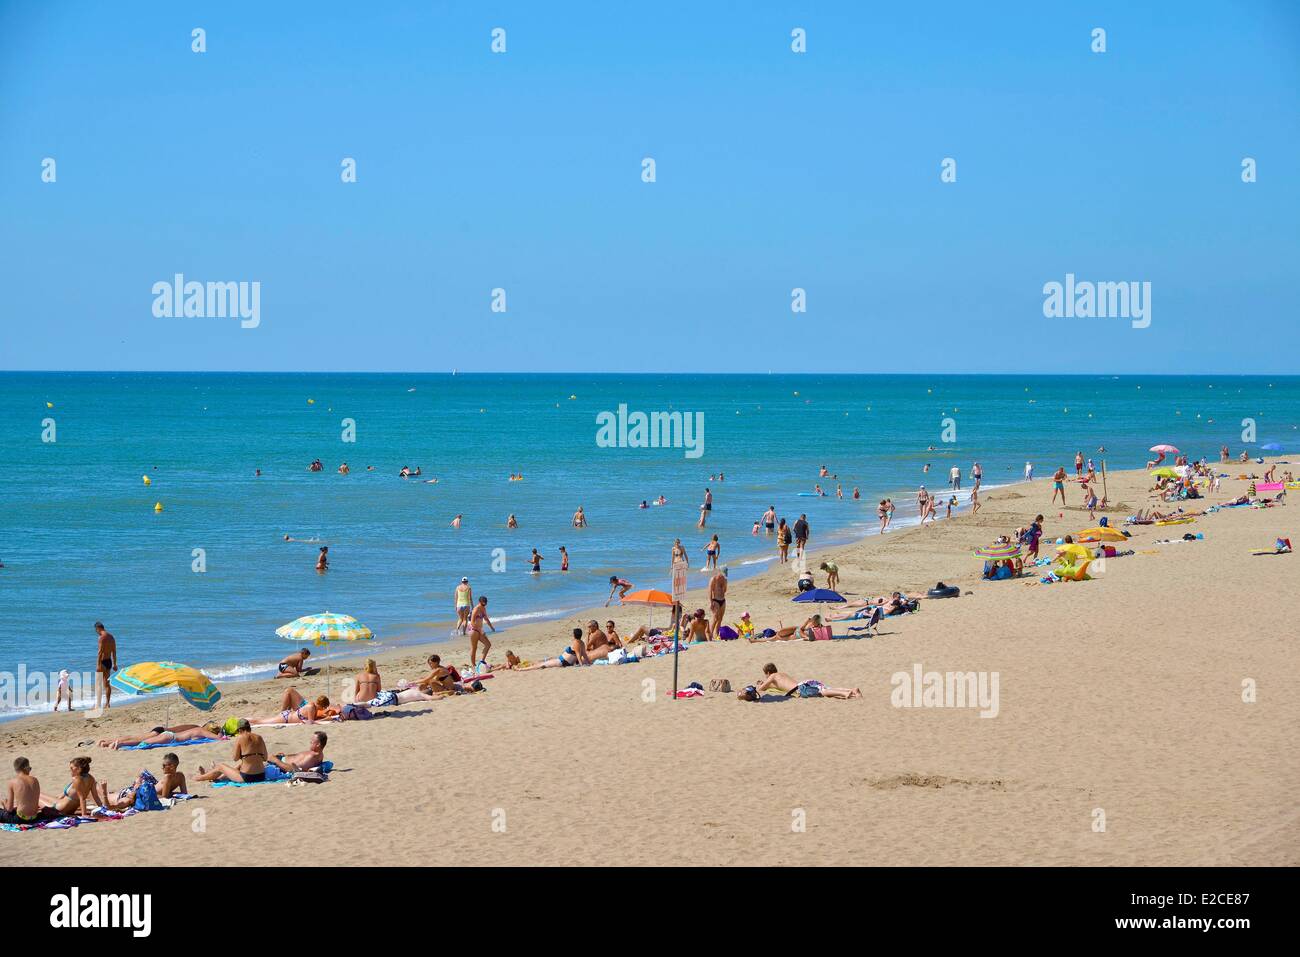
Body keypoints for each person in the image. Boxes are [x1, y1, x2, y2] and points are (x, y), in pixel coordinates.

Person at [195, 720, 269, 784]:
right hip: (261, 776)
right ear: (249, 728)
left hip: (247, 777)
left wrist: (243, 755)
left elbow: (235, 758)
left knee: (221, 767)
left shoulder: (240, 737)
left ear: (239, 730)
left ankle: (199, 777)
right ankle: (210, 775)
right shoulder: (259, 737)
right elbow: (265, 758)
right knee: (239, 766)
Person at [740, 663, 860, 700]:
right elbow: (775, 686)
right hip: (805, 682)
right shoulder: (782, 674)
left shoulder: (772, 676)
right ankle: (851, 690)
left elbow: (761, 689)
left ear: (768, 673)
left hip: (801, 688)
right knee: (826, 689)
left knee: (822, 693)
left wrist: (760, 685)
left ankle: (845, 694)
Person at [3, 757, 55, 825]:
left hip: (21, 819)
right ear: (26, 768)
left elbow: (9, 809)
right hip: (34, 817)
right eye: (29, 768)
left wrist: (4, 803)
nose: (30, 771)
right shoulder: (35, 780)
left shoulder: (12, 782)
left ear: (16, 769)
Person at [98, 723, 223, 749]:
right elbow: (219, 738)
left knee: (136, 738)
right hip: (166, 735)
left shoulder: (194, 726)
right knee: (138, 741)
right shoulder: (199, 730)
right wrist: (219, 733)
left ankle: (108, 742)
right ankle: (115, 743)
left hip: (164, 731)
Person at [518, 628, 591, 670]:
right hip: (562, 660)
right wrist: (588, 662)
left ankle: (521, 669)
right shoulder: (581, 642)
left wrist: (581, 665)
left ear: (574, 635)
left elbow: (578, 655)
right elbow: (584, 654)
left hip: (562, 662)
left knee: (542, 665)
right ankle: (529, 664)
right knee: (546, 660)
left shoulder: (576, 643)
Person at [251, 688, 332, 725]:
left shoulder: (313, 706)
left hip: (288, 716)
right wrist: (326, 719)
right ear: (323, 706)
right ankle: (243, 720)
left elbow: (312, 719)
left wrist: (323, 718)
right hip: (285, 718)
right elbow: (310, 722)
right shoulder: (311, 707)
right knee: (260, 721)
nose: (324, 709)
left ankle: (245, 721)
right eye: (325, 707)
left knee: (261, 721)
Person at [93, 621, 117, 711]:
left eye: (96, 630)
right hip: (109, 662)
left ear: (98, 628)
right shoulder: (111, 637)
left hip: (102, 662)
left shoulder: (101, 638)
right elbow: (114, 651)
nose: (97, 632)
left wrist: (98, 665)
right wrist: (115, 664)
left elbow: (100, 652)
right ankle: (107, 703)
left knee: (98, 684)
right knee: (107, 684)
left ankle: (98, 704)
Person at [468, 596, 495, 665]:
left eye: (485, 603)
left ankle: (482, 661)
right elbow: (472, 622)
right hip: (473, 630)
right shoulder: (476, 609)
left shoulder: (483, 608)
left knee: (488, 644)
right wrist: (480, 630)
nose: (484, 604)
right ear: (479, 602)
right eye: (482, 603)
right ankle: (473, 664)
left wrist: (491, 627)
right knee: (474, 648)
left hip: (479, 630)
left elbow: (486, 618)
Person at [708, 568, 728, 636]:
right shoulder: (713, 579)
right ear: (719, 572)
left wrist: (725, 584)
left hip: (723, 600)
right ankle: (710, 634)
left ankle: (717, 634)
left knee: (720, 618)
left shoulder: (725, 579)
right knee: (715, 618)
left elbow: (724, 591)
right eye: (722, 574)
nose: (723, 576)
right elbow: (710, 591)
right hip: (715, 600)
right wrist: (711, 602)